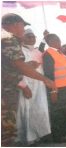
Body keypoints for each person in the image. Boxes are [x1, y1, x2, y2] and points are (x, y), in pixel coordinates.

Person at [1, 13, 55, 146]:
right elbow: (19, 66)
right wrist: (46, 80)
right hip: (6, 91)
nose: (23, 30)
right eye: (22, 26)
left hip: (10, 89)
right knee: (7, 132)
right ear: (14, 25)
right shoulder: (7, 39)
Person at [15, 29, 51, 145]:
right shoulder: (19, 51)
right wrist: (23, 86)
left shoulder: (37, 52)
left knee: (41, 109)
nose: (31, 39)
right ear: (23, 38)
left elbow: (41, 48)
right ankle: (28, 140)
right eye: (28, 37)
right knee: (27, 111)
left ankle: (41, 135)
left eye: (33, 37)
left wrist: (45, 37)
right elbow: (16, 69)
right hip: (26, 86)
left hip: (39, 86)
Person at [43, 34, 66, 142]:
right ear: (50, 41)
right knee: (57, 113)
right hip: (58, 89)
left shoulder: (60, 53)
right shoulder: (48, 54)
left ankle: (65, 130)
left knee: (65, 110)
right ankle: (57, 136)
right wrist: (53, 91)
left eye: (59, 39)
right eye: (56, 40)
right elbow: (49, 74)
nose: (59, 41)